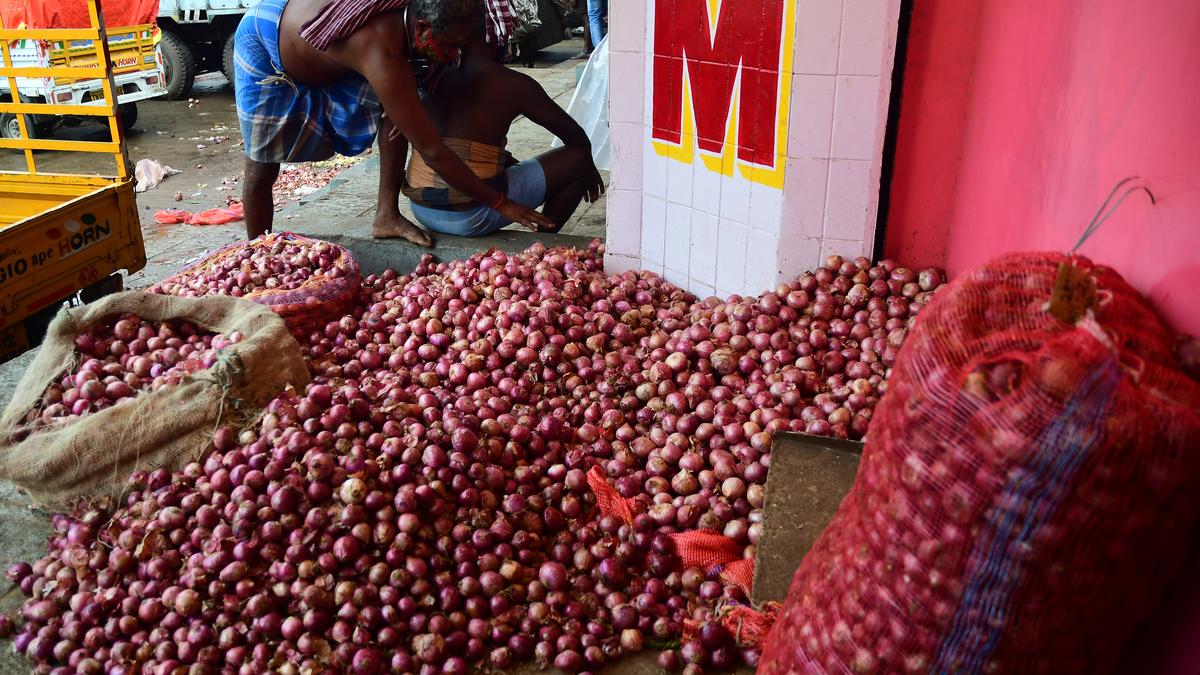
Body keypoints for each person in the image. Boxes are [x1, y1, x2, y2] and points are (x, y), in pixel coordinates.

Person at [232, 0, 554, 245]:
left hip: (323, 52)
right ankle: (258, 252)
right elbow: (433, 152)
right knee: (261, 166)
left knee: (398, 114)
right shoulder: (382, 52)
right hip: (267, 40)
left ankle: (385, 215)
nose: (456, 54)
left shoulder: (408, 21)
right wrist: (501, 203)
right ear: (422, 29)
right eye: (451, 45)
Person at [401, 26, 604, 237]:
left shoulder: (431, 73)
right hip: (470, 216)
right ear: (498, 37)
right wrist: (587, 166)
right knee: (578, 159)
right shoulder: (512, 84)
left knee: (497, 159)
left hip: (421, 208)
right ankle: (541, 246)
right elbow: (577, 140)